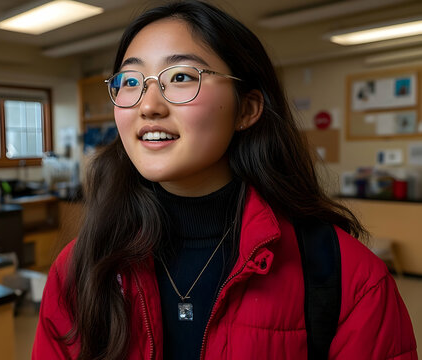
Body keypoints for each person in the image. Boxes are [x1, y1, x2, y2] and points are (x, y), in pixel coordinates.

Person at [32, 1, 417, 359]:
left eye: (181, 76)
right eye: (130, 81)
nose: (148, 105)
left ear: (246, 109)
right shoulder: (80, 267)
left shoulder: (349, 277)